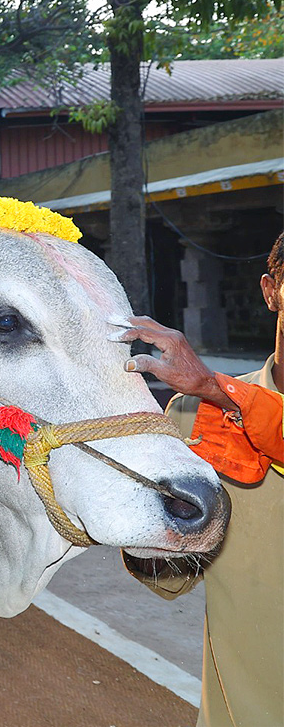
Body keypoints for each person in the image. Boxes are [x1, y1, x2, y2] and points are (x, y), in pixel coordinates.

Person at [121, 230, 283, 727]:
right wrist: (144, 529)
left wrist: (218, 389)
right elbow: (172, 577)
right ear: (271, 291)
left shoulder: (213, 399)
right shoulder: (196, 417)